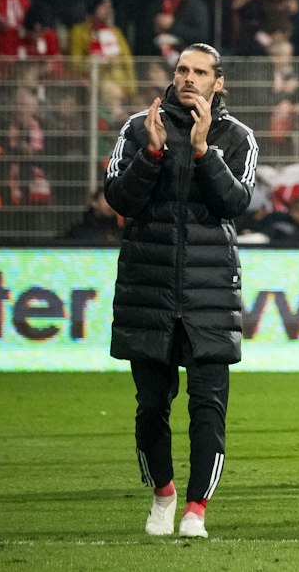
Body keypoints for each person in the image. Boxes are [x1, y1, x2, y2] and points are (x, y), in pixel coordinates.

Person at [104, 44, 258, 539]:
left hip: (209, 290)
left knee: (207, 407)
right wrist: (152, 153)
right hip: (148, 288)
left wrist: (201, 150)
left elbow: (237, 202)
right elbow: (118, 198)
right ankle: (163, 494)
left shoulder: (237, 137)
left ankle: (196, 509)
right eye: (182, 70)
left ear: (219, 82)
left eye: (200, 72)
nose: (189, 78)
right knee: (151, 406)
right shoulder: (137, 127)